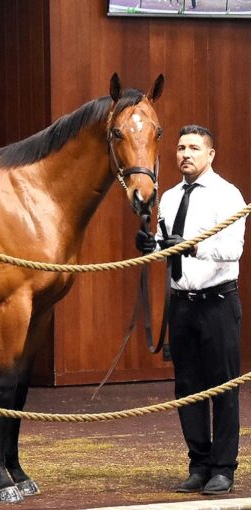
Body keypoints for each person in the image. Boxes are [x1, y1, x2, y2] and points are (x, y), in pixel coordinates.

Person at [136, 124, 246, 495]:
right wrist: (149, 247)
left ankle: (222, 468)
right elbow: (168, 249)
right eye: (181, 147)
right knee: (187, 389)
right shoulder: (167, 197)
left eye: (194, 148)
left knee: (223, 389)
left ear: (210, 154)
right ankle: (198, 465)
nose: (185, 154)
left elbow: (233, 249)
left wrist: (194, 247)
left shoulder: (228, 195)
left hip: (217, 303)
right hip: (182, 306)